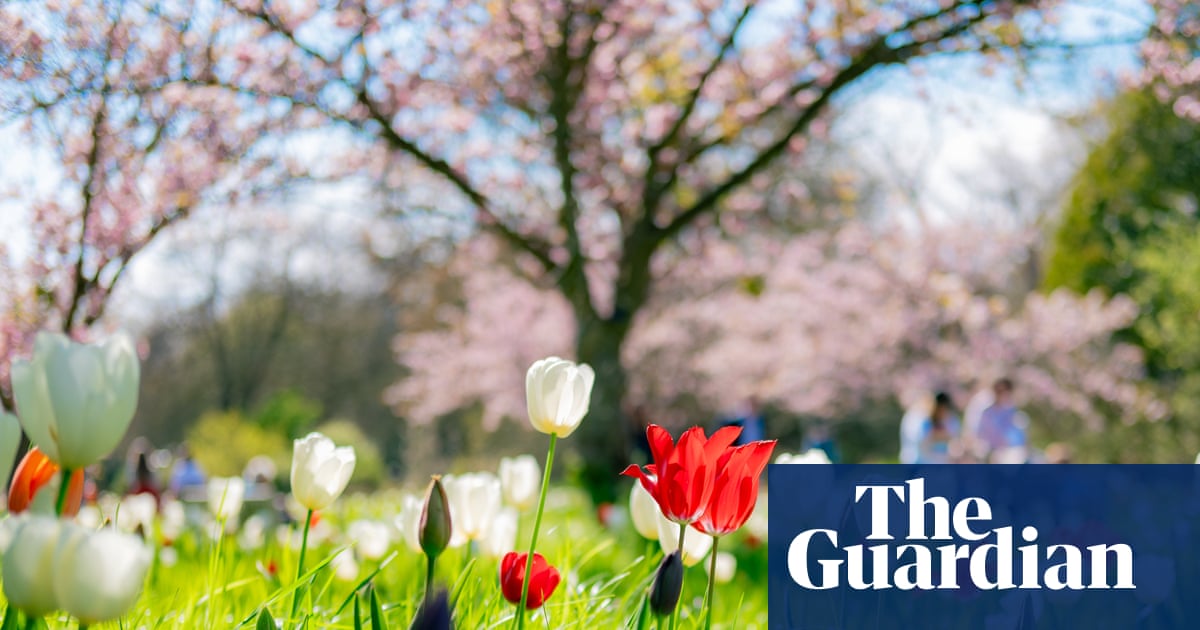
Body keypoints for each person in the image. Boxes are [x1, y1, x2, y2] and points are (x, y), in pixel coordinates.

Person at [975, 378, 1029, 461]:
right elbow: (981, 436)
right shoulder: (987, 414)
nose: (1003, 394)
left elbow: (1022, 439)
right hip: (994, 452)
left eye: (1006, 391)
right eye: (999, 391)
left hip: (1015, 451)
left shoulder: (1015, 412)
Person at [915, 392, 961, 464]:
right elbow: (923, 444)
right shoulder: (926, 422)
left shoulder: (951, 421)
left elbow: (955, 441)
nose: (942, 411)